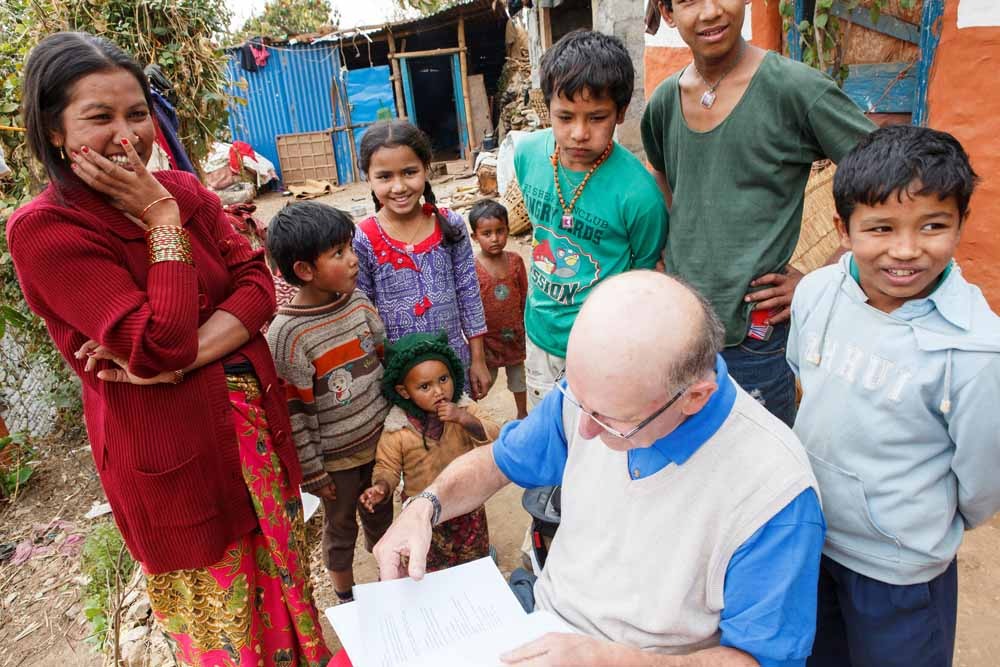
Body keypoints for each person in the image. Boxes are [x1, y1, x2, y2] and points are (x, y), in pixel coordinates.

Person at [6, 32, 330, 666]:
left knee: (290, 601)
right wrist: (161, 229)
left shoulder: (182, 190)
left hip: (255, 441)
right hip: (175, 463)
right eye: (99, 118)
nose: (127, 136)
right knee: (229, 633)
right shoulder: (46, 230)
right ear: (52, 131)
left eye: (136, 114)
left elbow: (259, 287)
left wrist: (175, 361)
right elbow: (156, 339)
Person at [374, 271, 826, 667]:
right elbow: (497, 461)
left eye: (612, 420)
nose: (585, 431)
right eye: (578, 401)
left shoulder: (775, 493)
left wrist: (616, 661)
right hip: (540, 625)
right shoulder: (594, 395)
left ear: (695, 397)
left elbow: (758, 660)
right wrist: (425, 506)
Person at [787, 125, 1000, 667]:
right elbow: (806, 386)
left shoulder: (975, 352)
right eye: (880, 228)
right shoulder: (816, 294)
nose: (905, 250)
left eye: (933, 226)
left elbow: (981, 481)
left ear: (960, 224)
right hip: (813, 540)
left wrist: (916, 524)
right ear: (843, 228)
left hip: (900, 570)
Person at [641, 0, 876, 426]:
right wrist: (665, 252)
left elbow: (888, 177)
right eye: (690, 0)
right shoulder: (664, 103)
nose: (711, 12)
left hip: (755, 336)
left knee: (760, 469)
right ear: (668, 12)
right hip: (677, 329)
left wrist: (830, 273)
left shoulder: (795, 90)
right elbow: (662, 177)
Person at [516, 29, 669, 408]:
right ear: (546, 107)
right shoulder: (527, 156)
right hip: (538, 336)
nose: (579, 133)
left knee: (597, 440)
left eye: (597, 117)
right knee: (548, 443)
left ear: (619, 113)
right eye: (564, 117)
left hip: (602, 345)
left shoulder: (638, 195)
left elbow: (641, 278)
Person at [266, 201, 393, 605]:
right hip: (335, 463)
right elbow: (296, 414)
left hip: (379, 445)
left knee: (383, 517)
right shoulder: (288, 336)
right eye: (339, 253)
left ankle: (390, 583)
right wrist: (312, 471)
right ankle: (347, 600)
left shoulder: (357, 303)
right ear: (305, 270)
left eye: (350, 248)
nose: (354, 260)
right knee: (340, 530)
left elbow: (383, 361)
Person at [353, 120, 491, 399]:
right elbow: (362, 313)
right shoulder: (363, 238)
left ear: (426, 168)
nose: (399, 186)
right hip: (402, 373)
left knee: (459, 433)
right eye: (384, 176)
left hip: (453, 364)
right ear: (367, 176)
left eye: (409, 172)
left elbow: (469, 293)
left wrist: (478, 359)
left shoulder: (449, 224)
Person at [359, 331, 500, 572]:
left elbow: (495, 435)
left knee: (474, 559)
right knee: (432, 567)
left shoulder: (463, 408)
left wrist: (464, 419)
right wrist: (381, 487)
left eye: (443, 379)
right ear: (405, 392)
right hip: (423, 515)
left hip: (467, 503)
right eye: (425, 386)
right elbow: (387, 467)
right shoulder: (398, 429)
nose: (438, 391)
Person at [470, 199, 529, 419]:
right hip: (488, 341)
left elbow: (524, 295)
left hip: (514, 336)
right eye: (487, 233)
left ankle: (522, 414)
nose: (495, 238)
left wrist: (526, 326)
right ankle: (477, 418)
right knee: (482, 381)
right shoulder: (472, 267)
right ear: (475, 236)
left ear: (508, 230)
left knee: (518, 379)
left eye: (500, 231)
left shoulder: (515, 261)